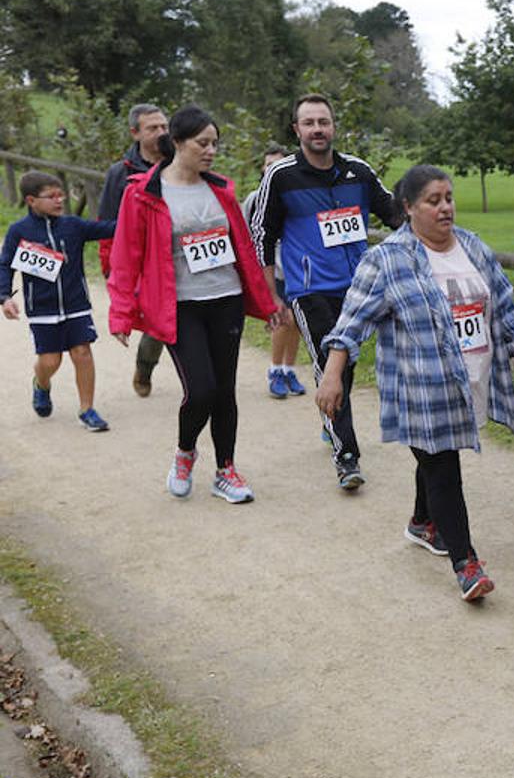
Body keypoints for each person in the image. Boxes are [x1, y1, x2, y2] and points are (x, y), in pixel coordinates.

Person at [314, 165, 514, 602]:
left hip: (472, 381)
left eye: (448, 198)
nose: (445, 207)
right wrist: (332, 376)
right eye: (433, 200)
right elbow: (349, 325)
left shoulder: (473, 247)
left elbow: (504, 303)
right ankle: (467, 563)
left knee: (434, 460)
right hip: (421, 390)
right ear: (408, 208)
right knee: (444, 467)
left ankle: (422, 522)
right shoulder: (387, 259)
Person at [108, 105, 281, 503]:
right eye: (203, 143)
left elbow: (242, 249)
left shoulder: (221, 189)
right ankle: (186, 451)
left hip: (226, 300)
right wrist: (120, 313)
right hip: (180, 306)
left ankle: (226, 470)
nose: (211, 151)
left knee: (225, 392)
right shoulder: (143, 193)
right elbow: (125, 257)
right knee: (200, 389)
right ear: (178, 143)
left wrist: (266, 302)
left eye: (215, 143)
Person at [250, 93, 401, 491]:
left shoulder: (358, 171)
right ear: (296, 129)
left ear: (334, 126)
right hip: (309, 287)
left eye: (324, 122)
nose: (318, 129)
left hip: (360, 287)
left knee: (346, 364)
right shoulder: (281, 176)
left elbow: (395, 214)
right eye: (309, 123)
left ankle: (331, 416)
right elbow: (261, 236)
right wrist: (271, 297)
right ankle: (346, 455)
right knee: (328, 361)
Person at [1, 172, 117, 429]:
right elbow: (5, 265)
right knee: (51, 361)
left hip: (76, 305)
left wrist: (137, 213)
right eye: (51, 196)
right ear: (31, 200)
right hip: (42, 310)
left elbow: (111, 228)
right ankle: (40, 384)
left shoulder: (73, 225)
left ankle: (87, 410)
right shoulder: (19, 231)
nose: (59, 200)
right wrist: (4, 297)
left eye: (60, 194)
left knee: (83, 353)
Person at [97, 103, 169, 397]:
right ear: (135, 133)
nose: (161, 133)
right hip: (141, 259)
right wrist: (109, 267)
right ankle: (146, 365)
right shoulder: (120, 173)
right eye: (153, 128)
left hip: (177, 254)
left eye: (164, 126)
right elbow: (108, 224)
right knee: (155, 318)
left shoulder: (182, 163)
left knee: (174, 314)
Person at [241, 144, 305, 399]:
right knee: (283, 319)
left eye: (278, 164)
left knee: (298, 322)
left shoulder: (296, 195)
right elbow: (245, 235)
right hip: (271, 269)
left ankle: (289, 369)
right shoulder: (254, 199)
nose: (272, 169)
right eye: (268, 164)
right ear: (262, 168)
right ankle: (275, 370)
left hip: (298, 268)